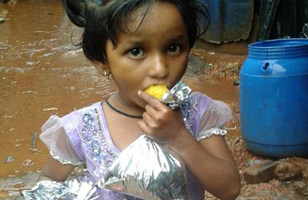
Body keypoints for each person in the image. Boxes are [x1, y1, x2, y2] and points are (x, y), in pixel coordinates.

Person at [27, 0, 241, 199]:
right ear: (102, 61)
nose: (160, 69)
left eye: (173, 48)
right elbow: (49, 179)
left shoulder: (197, 112)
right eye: (136, 51)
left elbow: (229, 189)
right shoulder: (83, 127)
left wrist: (180, 138)